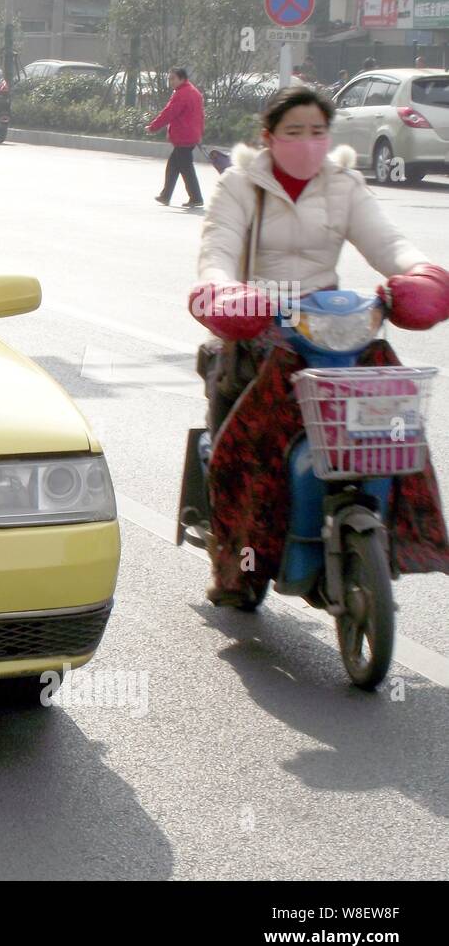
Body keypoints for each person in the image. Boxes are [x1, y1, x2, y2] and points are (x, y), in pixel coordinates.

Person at [188, 86, 449, 605]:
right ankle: (238, 563)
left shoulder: (343, 182)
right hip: (257, 322)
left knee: (390, 417)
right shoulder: (242, 184)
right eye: (294, 132)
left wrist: (420, 273)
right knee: (239, 453)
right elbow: (216, 249)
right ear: (269, 136)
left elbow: (388, 242)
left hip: (330, 326)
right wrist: (222, 290)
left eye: (317, 131)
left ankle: (403, 535)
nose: (308, 142)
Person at [147, 67, 205, 209]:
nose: (170, 82)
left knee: (185, 168)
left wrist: (153, 127)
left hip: (183, 136)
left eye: (173, 78)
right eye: (169, 79)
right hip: (190, 135)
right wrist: (200, 134)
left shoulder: (182, 94)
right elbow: (201, 117)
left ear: (182, 79)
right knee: (174, 166)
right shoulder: (194, 92)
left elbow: (169, 113)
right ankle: (166, 195)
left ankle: (196, 197)